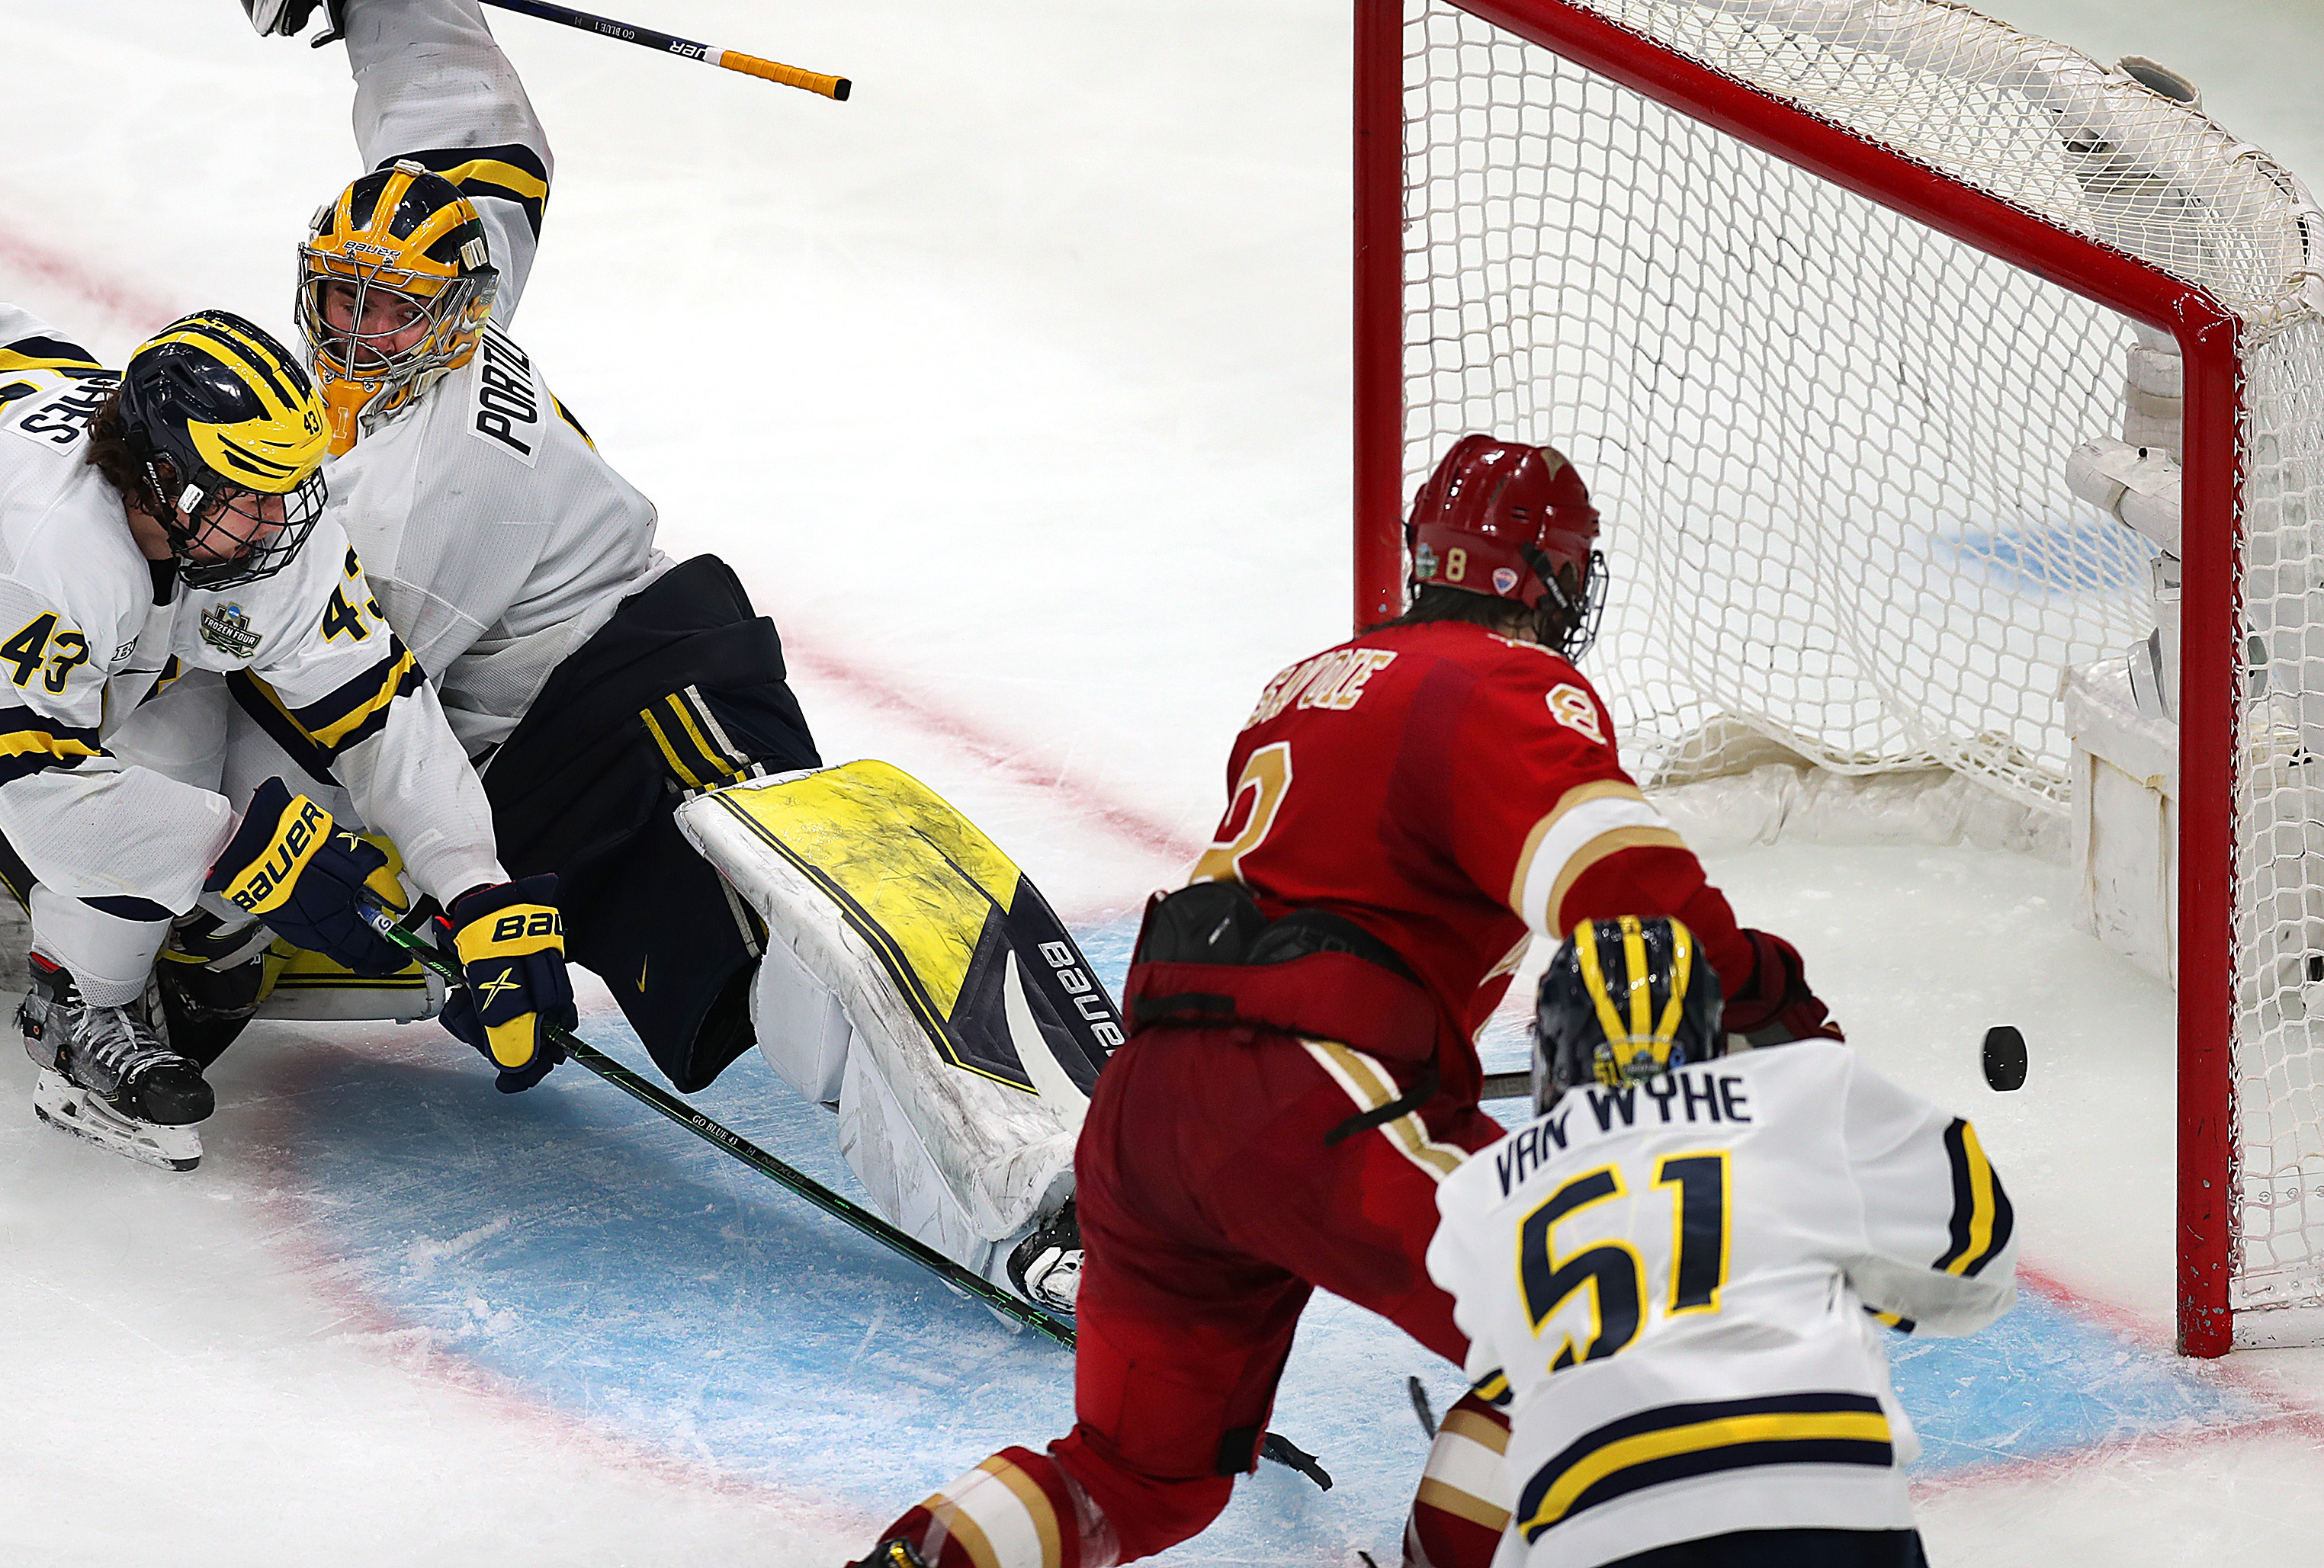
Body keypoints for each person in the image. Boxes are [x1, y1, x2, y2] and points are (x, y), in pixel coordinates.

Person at [219, 0, 1093, 1313]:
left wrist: (273, 881)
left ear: (452, 322)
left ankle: (1037, 1211)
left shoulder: (419, 499)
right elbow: (478, 139)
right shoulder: (443, 297)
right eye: (341, 298)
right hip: (519, 751)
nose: (356, 332)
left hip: (639, 703)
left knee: (789, 934)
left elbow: (339, 711)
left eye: (392, 313)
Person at [846, 434, 1843, 1568]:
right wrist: (1774, 999)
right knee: (1617, 1327)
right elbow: (1629, 898)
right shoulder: (1509, 682)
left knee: (1137, 1476)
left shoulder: (1305, 684)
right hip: (1309, 1095)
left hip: (1147, 1112)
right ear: (1554, 578)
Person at [0, 300, 570, 1171]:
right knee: (92, 768)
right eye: (251, 495)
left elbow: (376, 701)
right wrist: (242, 849)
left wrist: (471, 882)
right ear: (163, 478)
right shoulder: (51, 552)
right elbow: (31, 790)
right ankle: (78, 1000)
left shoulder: (248, 524)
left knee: (179, 725)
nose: (285, 522)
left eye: (289, 484)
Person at [1426, 915, 2017, 1568]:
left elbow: (1511, 1388)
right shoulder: (1802, 1089)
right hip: (1832, 1514)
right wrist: (1840, 1281)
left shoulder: (1476, 1195)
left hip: (1607, 1543)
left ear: (1549, 1054)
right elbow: (1982, 1251)